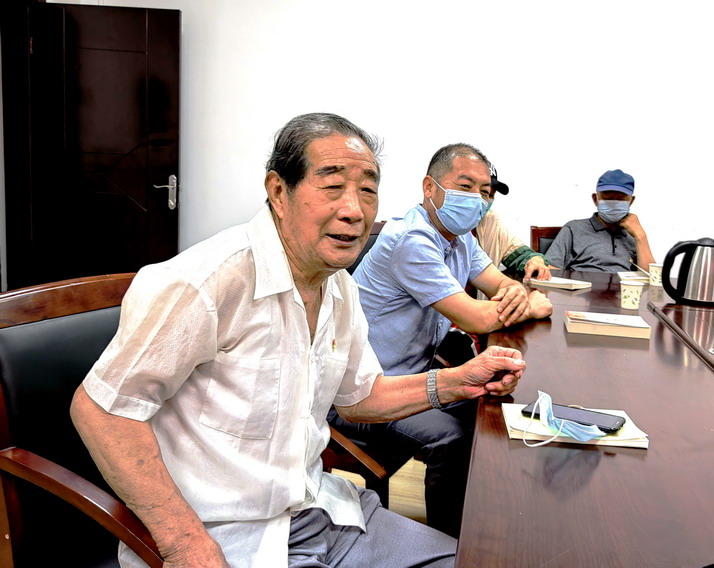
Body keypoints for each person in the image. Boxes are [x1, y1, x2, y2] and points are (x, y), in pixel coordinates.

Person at [69, 114, 528, 568]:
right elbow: (102, 410)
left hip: (322, 512)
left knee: (479, 561)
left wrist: (459, 380)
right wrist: (183, 543)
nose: (354, 210)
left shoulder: (339, 286)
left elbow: (359, 397)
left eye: (368, 190)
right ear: (278, 191)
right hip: (225, 538)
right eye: (332, 186)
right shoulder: (206, 281)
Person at [329, 143, 552, 537]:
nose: (477, 199)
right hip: (362, 391)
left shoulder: (461, 239)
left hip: (410, 374)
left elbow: (501, 286)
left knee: (493, 409)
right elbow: (477, 316)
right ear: (430, 188)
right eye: (465, 186)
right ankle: (449, 543)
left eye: (484, 191)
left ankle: (493, 519)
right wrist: (527, 303)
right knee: (454, 437)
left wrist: (519, 295)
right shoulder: (411, 239)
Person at [544, 169, 656, 272]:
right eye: (608, 199)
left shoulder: (634, 234)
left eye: (620, 199)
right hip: (585, 286)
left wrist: (640, 236)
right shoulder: (573, 228)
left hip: (622, 287)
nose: (614, 203)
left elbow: (652, 277)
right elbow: (549, 269)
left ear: (631, 201)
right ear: (595, 199)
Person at [473, 168, 551, 296]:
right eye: (482, 191)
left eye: (490, 194)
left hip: (484, 306)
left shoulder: (490, 221)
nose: (484, 200)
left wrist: (534, 260)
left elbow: (518, 253)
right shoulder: (441, 230)